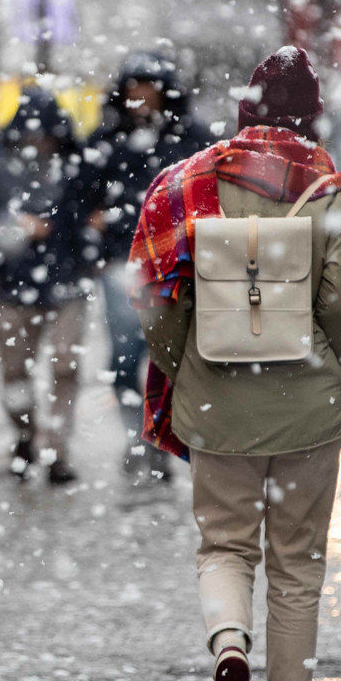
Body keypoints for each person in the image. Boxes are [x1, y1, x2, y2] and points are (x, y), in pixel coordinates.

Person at [131, 46, 341, 681]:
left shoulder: (185, 184)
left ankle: (229, 647)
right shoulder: (329, 191)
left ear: (245, 110)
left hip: (216, 402)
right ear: (312, 116)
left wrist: (193, 369)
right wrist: (336, 372)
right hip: (309, 407)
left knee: (225, 547)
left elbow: (157, 302)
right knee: (298, 564)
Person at [80, 52, 216, 479]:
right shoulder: (106, 141)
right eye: (133, 90)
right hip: (123, 265)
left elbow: (211, 190)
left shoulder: (190, 139)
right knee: (125, 358)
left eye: (149, 90)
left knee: (174, 358)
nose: (140, 99)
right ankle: (138, 437)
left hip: (177, 265)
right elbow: (80, 196)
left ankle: (162, 435)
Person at [0, 87, 88, 485]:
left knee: (65, 368)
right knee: (15, 370)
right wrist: (11, 224)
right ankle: (24, 437)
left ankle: (56, 449)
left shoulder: (73, 160)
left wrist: (62, 228)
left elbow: (88, 208)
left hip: (66, 281)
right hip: (13, 283)